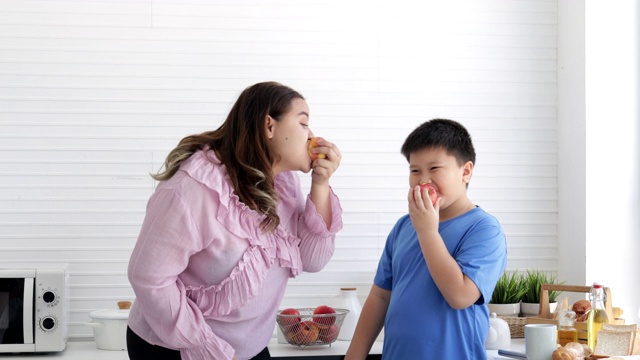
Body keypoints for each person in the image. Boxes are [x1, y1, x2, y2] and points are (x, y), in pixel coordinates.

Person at [126, 81, 343, 360]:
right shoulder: (194, 188)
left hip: (248, 350)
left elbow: (313, 261)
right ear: (269, 126)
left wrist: (321, 184)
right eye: (303, 123)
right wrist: (204, 347)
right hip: (176, 348)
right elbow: (148, 278)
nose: (311, 135)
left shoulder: (284, 185)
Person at [345, 118, 507, 359]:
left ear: (466, 171)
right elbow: (380, 297)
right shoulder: (403, 227)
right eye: (414, 170)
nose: (423, 180)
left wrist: (427, 231)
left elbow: (460, 296)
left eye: (434, 169)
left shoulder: (484, 229)